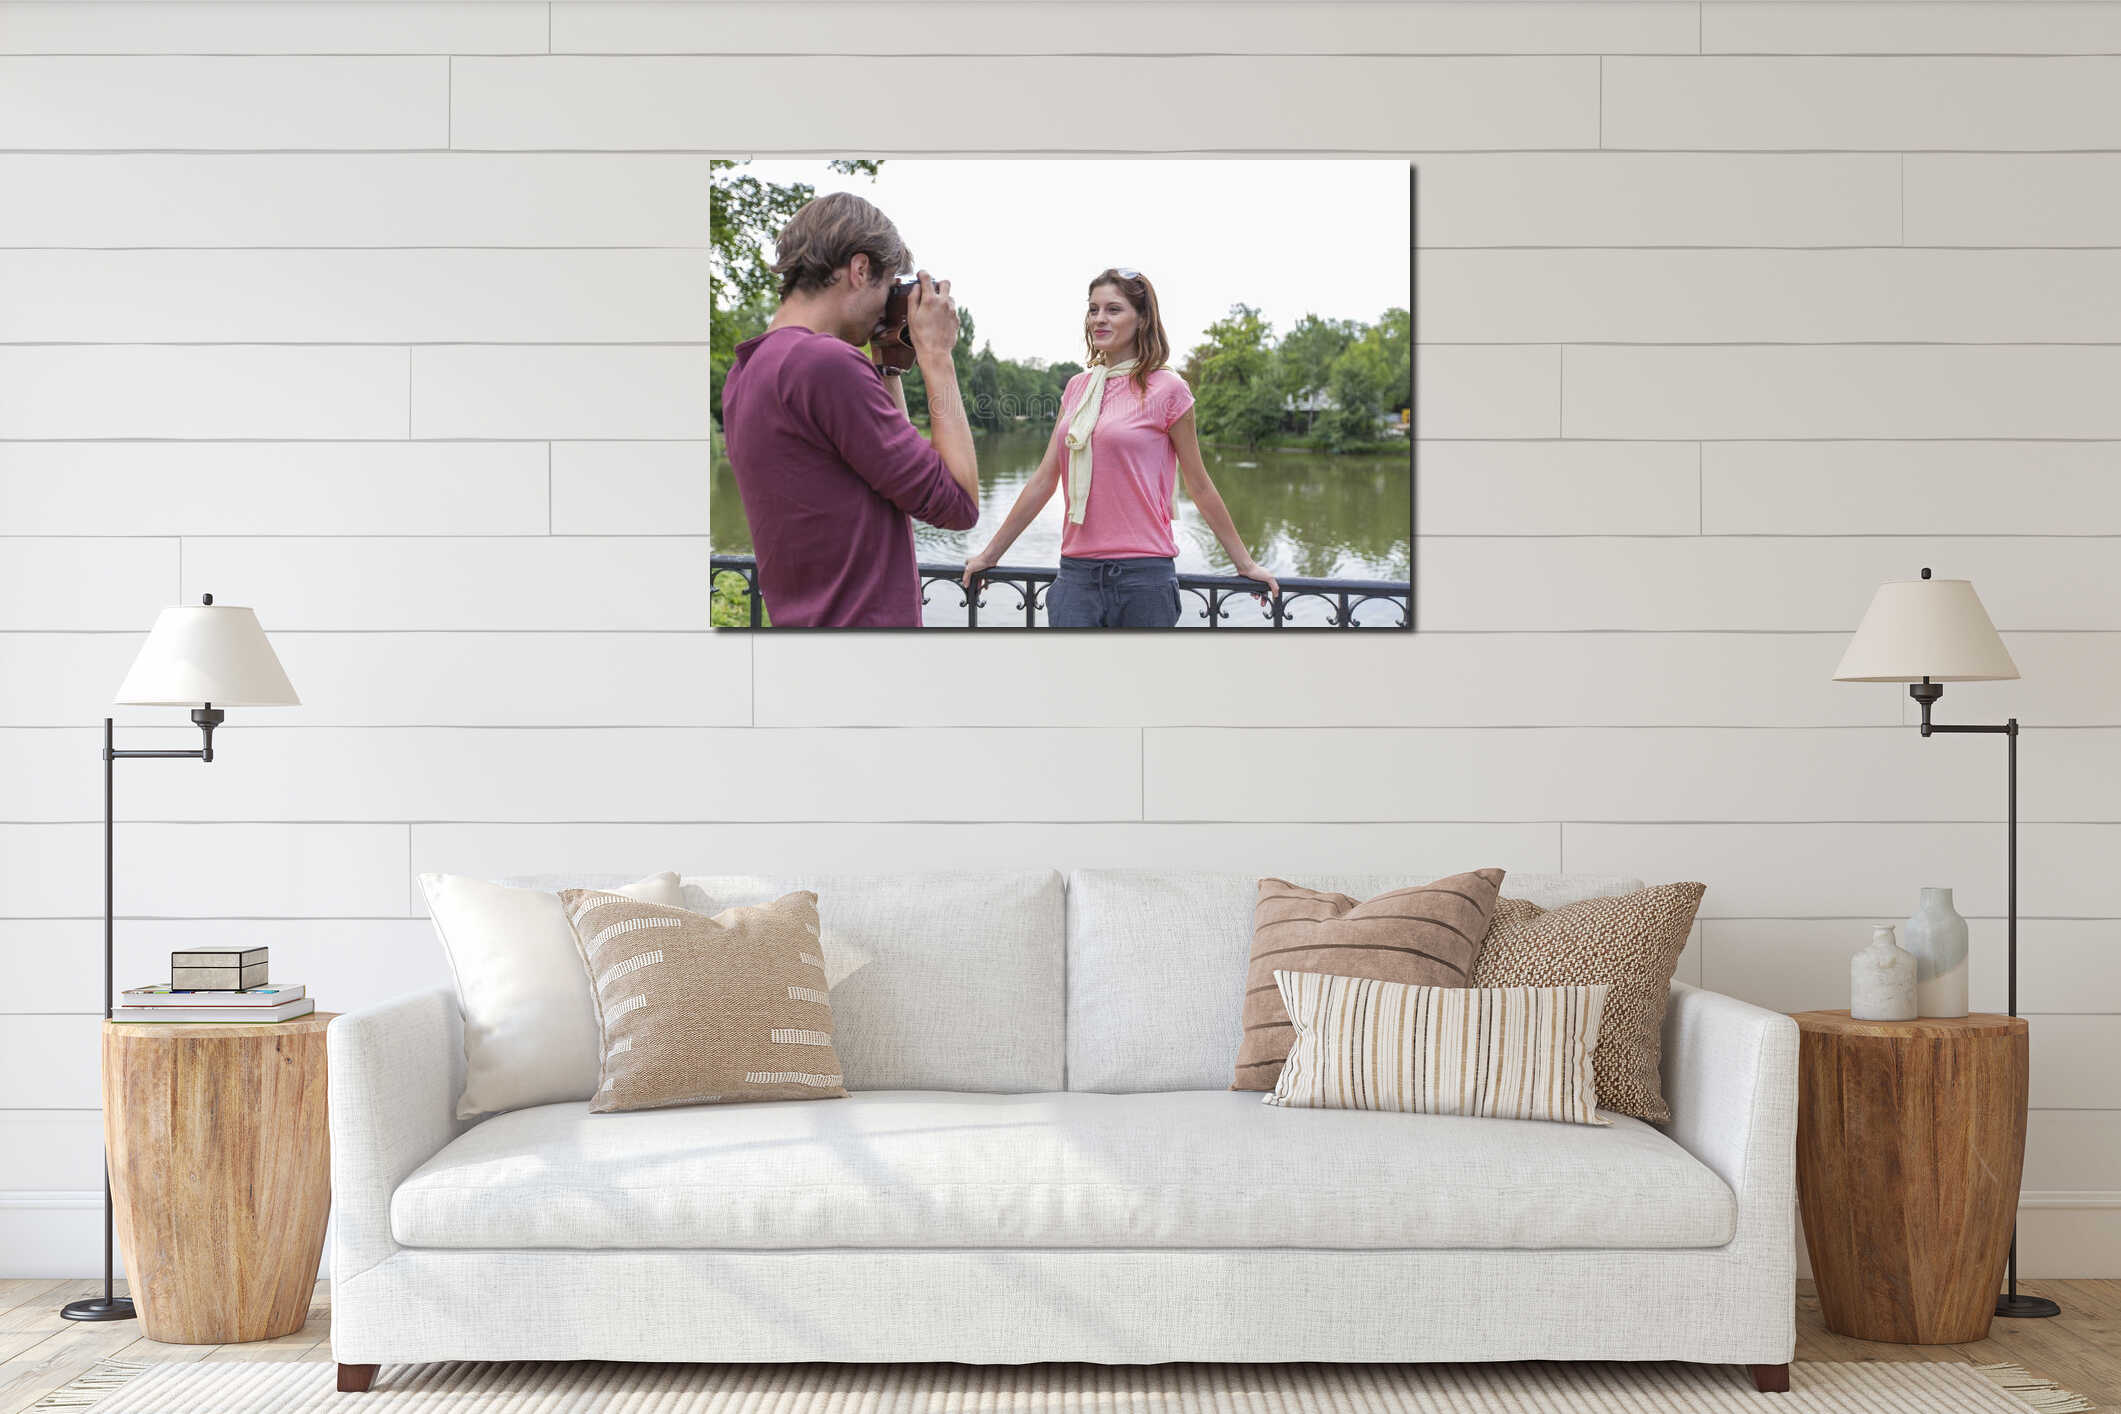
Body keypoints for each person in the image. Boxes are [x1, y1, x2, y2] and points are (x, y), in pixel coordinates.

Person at [961, 268, 1279, 628]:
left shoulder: (1169, 390)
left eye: (1113, 309)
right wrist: (990, 554)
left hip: (1144, 580)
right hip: (1076, 578)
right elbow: (1044, 480)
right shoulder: (1077, 389)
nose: (1099, 319)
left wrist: (1245, 564)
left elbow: (1199, 484)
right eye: (1093, 309)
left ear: (1142, 319)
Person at [720, 191, 979, 628]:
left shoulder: (747, 371)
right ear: (860, 270)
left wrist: (889, 362)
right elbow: (957, 503)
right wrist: (937, 355)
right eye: (887, 284)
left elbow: (902, 482)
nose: (887, 302)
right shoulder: (825, 363)